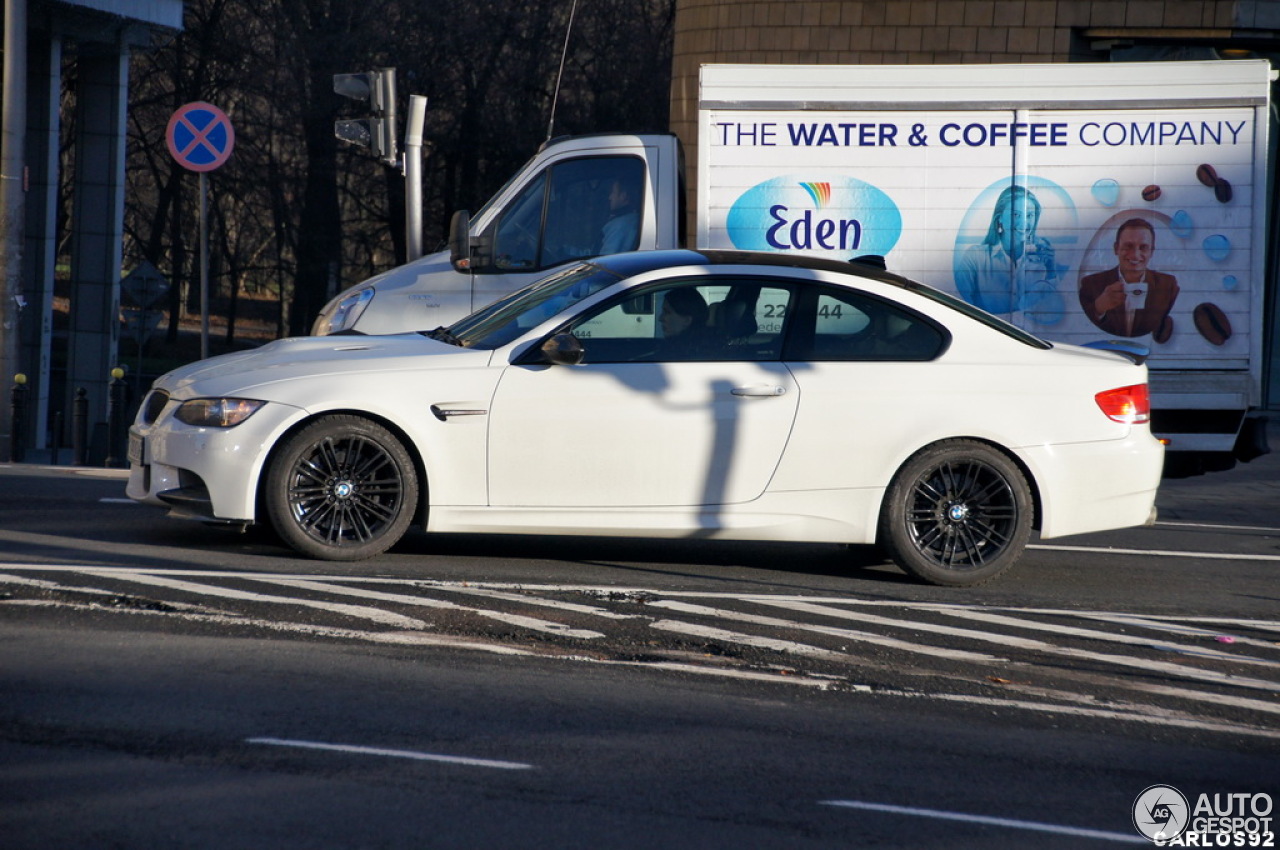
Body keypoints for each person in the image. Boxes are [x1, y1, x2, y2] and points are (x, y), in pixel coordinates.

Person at [955, 184, 1057, 314]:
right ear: (1000, 218)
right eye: (1016, 215)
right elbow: (959, 303)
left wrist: (1051, 272)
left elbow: (1050, 309)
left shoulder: (1041, 259)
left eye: (1030, 215)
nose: (1024, 223)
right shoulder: (976, 257)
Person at [1079, 218, 1179, 337]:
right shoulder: (1091, 284)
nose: (1135, 255)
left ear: (1152, 251)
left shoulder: (1167, 285)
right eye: (1128, 246)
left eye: (1143, 247)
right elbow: (1078, 326)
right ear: (1116, 248)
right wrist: (1099, 307)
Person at [658, 288, 712, 359]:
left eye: (667, 312)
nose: (660, 318)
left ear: (687, 320)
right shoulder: (707, 345)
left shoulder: (684, 354)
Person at [599, 178, 641, 255]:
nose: (610, 197)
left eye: (613, 192)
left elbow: (604, 259)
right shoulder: (633, 219)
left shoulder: (620, 226)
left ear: (623, 196)